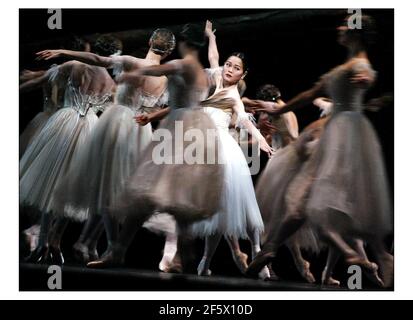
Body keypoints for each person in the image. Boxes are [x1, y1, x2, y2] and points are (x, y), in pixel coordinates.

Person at [247, 15, 393, 288]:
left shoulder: (359, 64)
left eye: (345, 25)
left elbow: (366, 74)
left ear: (356, 33)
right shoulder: (344, 65)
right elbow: (311, 93)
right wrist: (280, 109)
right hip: (325, 133)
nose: (339, 27)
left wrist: (364, 80)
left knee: (309, 201)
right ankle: (270, 249)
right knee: (299, 200)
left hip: (341, 137)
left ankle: (374, 255)